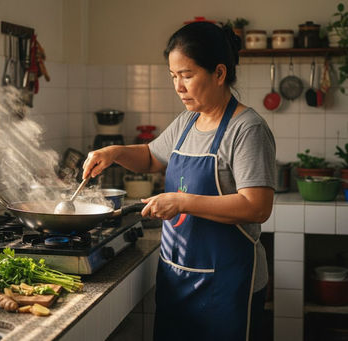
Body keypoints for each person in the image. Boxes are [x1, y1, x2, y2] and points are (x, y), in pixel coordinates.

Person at [82, 21, 276, 341]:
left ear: (219, 73)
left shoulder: (247, 129)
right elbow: (150, 158)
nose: (178, 87)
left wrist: (182, 201)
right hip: (177, 278)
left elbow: (257, 207)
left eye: (187, 75)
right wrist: (115, 152)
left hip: (227, 287)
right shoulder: (186, 122)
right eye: (173, 76)